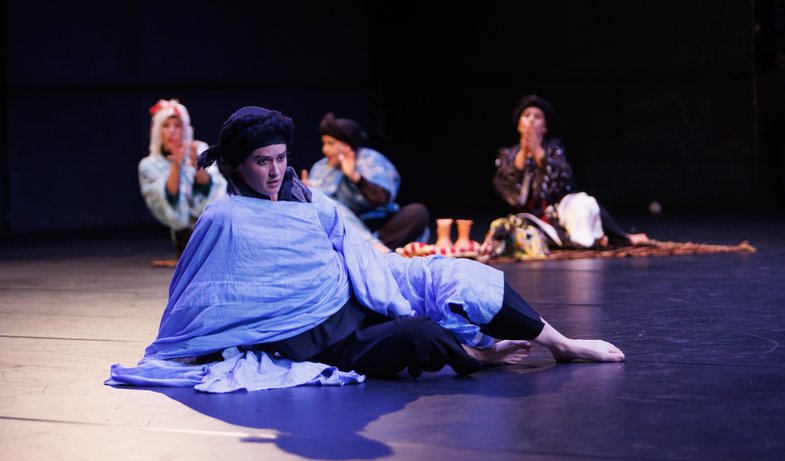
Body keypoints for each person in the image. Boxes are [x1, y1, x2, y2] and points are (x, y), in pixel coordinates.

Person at [107, 106, 624, 393]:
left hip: (358, 289)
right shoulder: (225, 216)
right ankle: (479, 356)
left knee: (457, 274)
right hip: (322, 339)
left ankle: (560, 342)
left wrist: (380, 273)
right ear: (238, 165)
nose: (275, 171)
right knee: (417, 333)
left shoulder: (306, 196)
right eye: (262, 161)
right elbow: (201, 291)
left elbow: (349, 241)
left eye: (281, 158)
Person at [492, 94, 649, 248]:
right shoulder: (508, 155)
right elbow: (508, 192)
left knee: (584, 203)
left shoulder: (554, 149)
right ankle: (588, 240)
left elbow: (561, 180)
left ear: (545, 127)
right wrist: (523, 154)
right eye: (526, 116)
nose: (531, 120)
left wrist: (537, 151)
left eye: (537, 116)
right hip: (529, 220)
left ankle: (615, 237)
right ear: (519, 125)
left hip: (560, 213)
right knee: (514, 230)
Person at [302, 113, 429, 253]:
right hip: (345, 227)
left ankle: (368, 250)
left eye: (330, 143)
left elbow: (382, 200)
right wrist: (308, 192)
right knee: (330, 206)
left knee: (417, 213)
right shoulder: (321, 167)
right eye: (324, 143)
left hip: (379, 224)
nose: (325, 149)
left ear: (347, 145)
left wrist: (355, 177)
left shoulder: (370, 159)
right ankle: (374, 249)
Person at [138, 98, 227, 257]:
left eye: (177, 125)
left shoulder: (199, 148)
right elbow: (168, 201)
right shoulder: (149, 165)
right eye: (166, 126)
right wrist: (176, 165)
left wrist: (198, 165)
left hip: (209, 225)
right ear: (158, 131)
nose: (172, 131)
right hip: (183, 233)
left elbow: (212, 188)